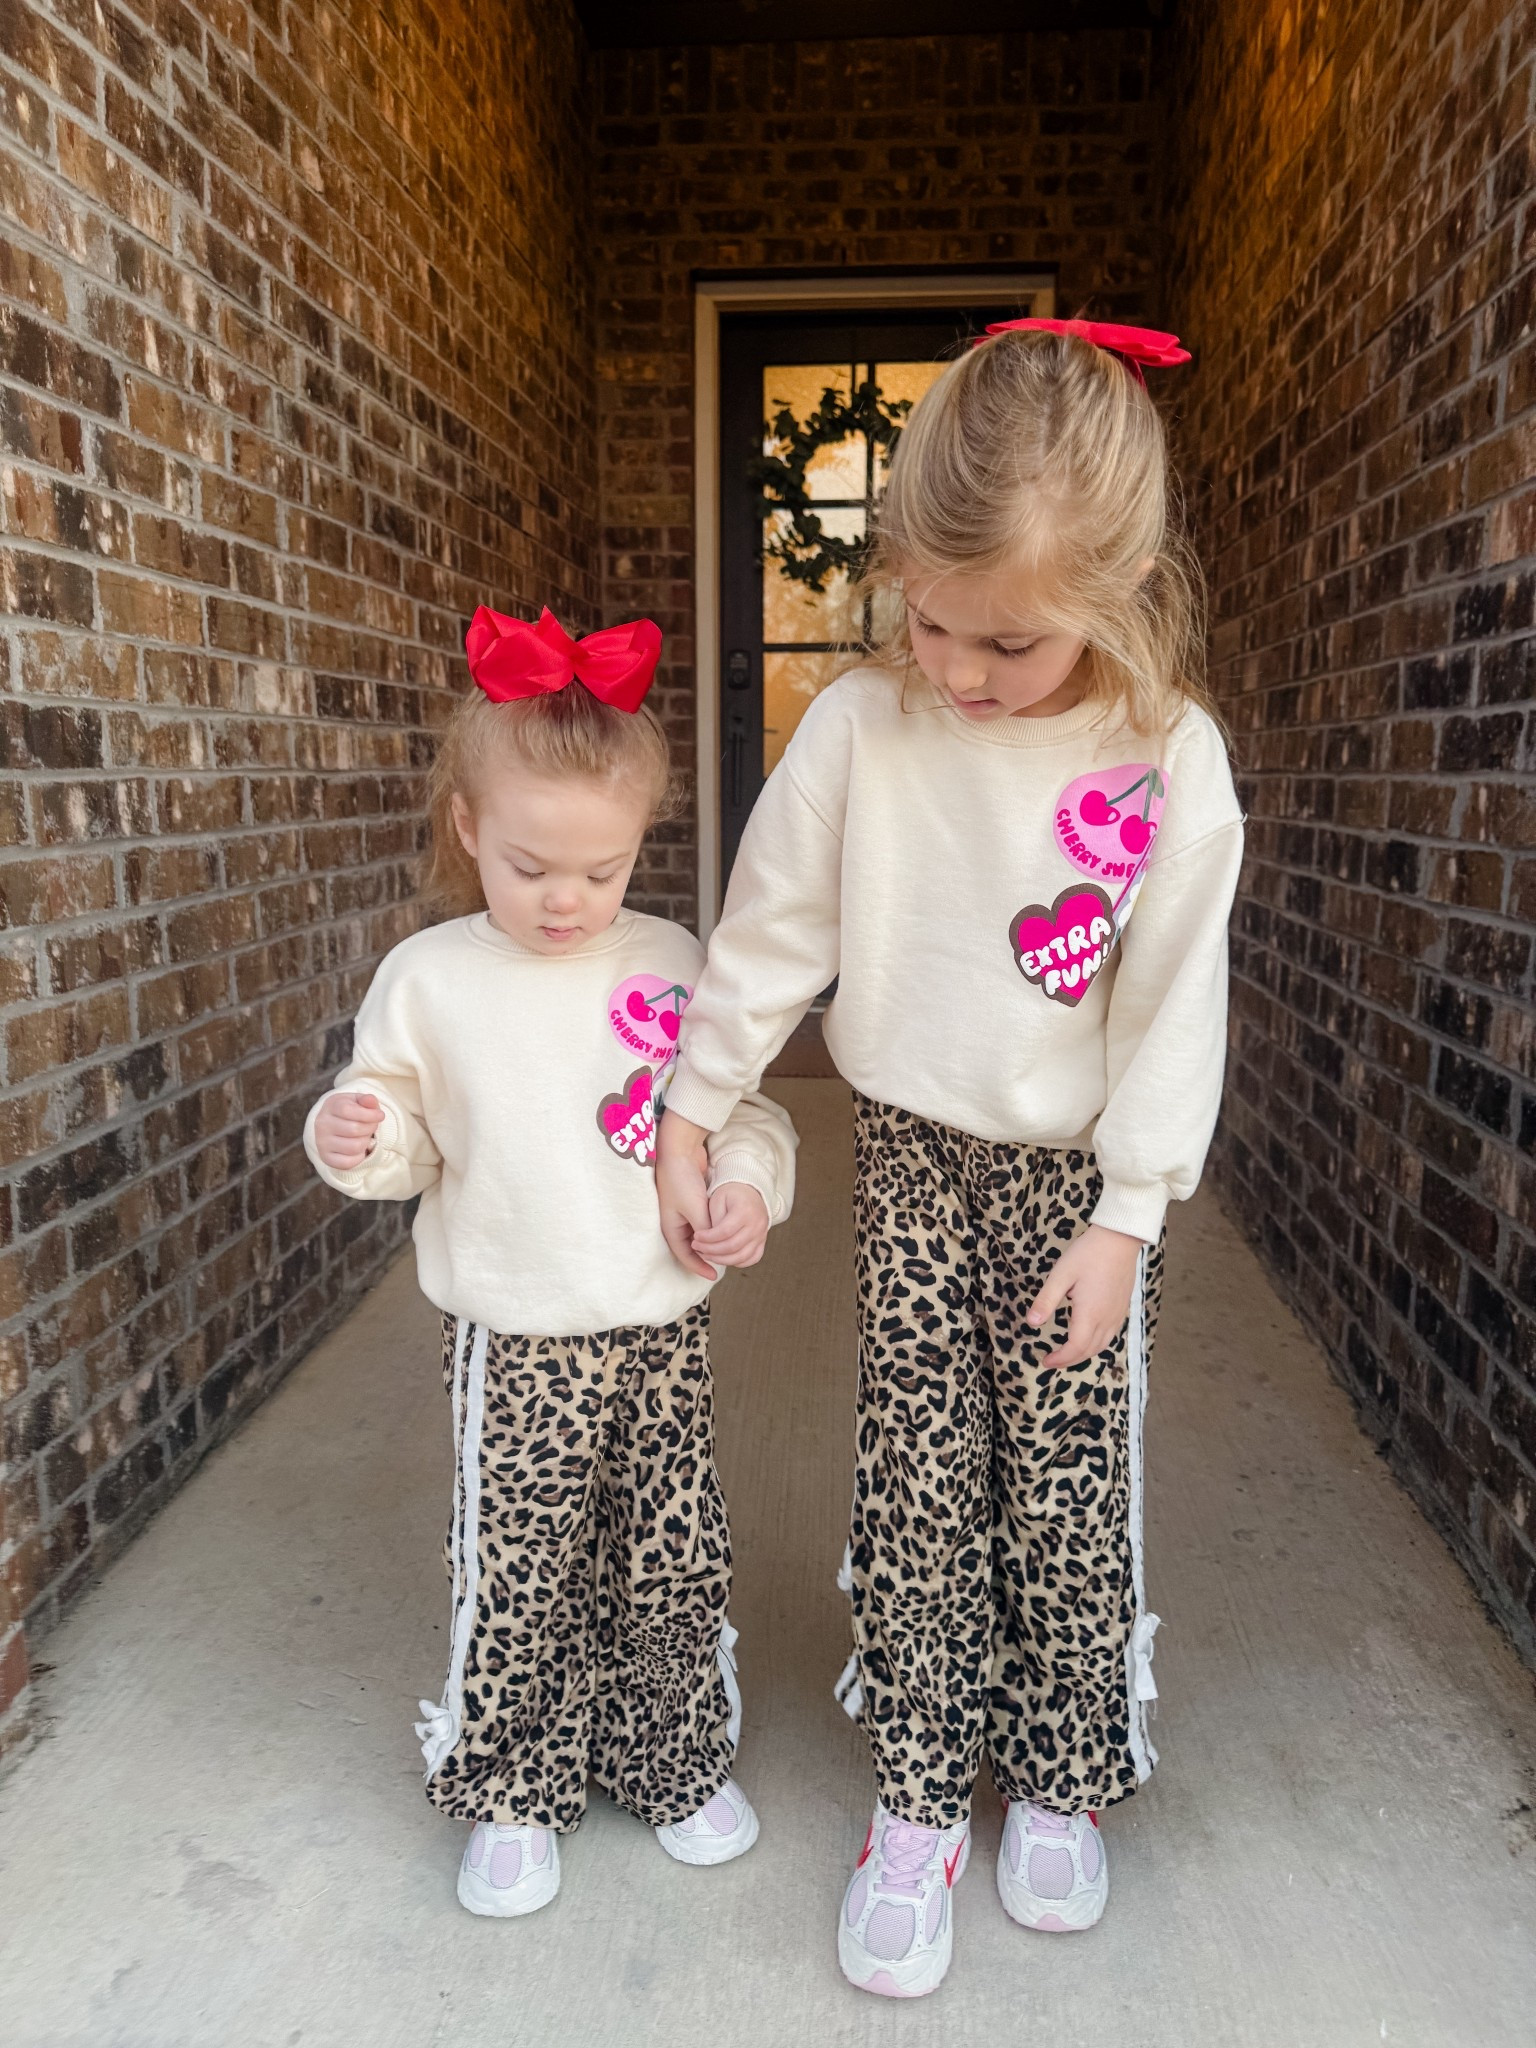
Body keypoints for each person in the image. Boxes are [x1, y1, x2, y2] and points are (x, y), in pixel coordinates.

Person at [657, 319, 1243, 1996]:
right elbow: (768, 934)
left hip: (1079, 1181)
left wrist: (1132, 1215)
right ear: (893, 569)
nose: (966, 669)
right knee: (919, 1467)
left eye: (1016, 642)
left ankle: (1060, 1768)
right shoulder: (861, 728)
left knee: (1065, 1480)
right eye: (932, 620)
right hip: (911, 1151)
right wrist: (695, 1107)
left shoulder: (1165, 760)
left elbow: (1171, 1009)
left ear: (1120, 591)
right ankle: (915, 1791)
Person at [306, 604, 796, 1919]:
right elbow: (400, 1141)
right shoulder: (428, 982)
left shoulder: (676, 963)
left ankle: (673, 1763)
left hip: (656, 1330)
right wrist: (357, 1132)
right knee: (519, 1573)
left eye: (604, 868)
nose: (570, 901)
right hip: (513, 1336)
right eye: (532, 869)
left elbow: (737, 1112)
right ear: (469, 826)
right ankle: (515, 1790)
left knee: (672, 1558)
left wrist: (741, 1188)